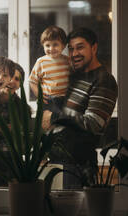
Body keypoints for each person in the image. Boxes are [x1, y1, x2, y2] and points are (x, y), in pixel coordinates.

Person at [42, 27, 118, 188]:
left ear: (94, 47)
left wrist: (54, 117)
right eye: (70, 49)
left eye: (80, 47)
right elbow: (64, 110)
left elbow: (94, 123)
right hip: (58, 161)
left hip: (78, 165)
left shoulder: (104, 80)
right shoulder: (74, 76)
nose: (74, 53)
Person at [29, 25, 70, 112]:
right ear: (43, 46)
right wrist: (38, 94)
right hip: (48, 100)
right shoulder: (41, 62)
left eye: (55, 44)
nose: (51, 48)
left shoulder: (68, 61)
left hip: (65, 99)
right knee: (47, 123)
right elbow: (32, 81)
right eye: (47, 45)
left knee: (63, 122)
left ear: (63, 46)